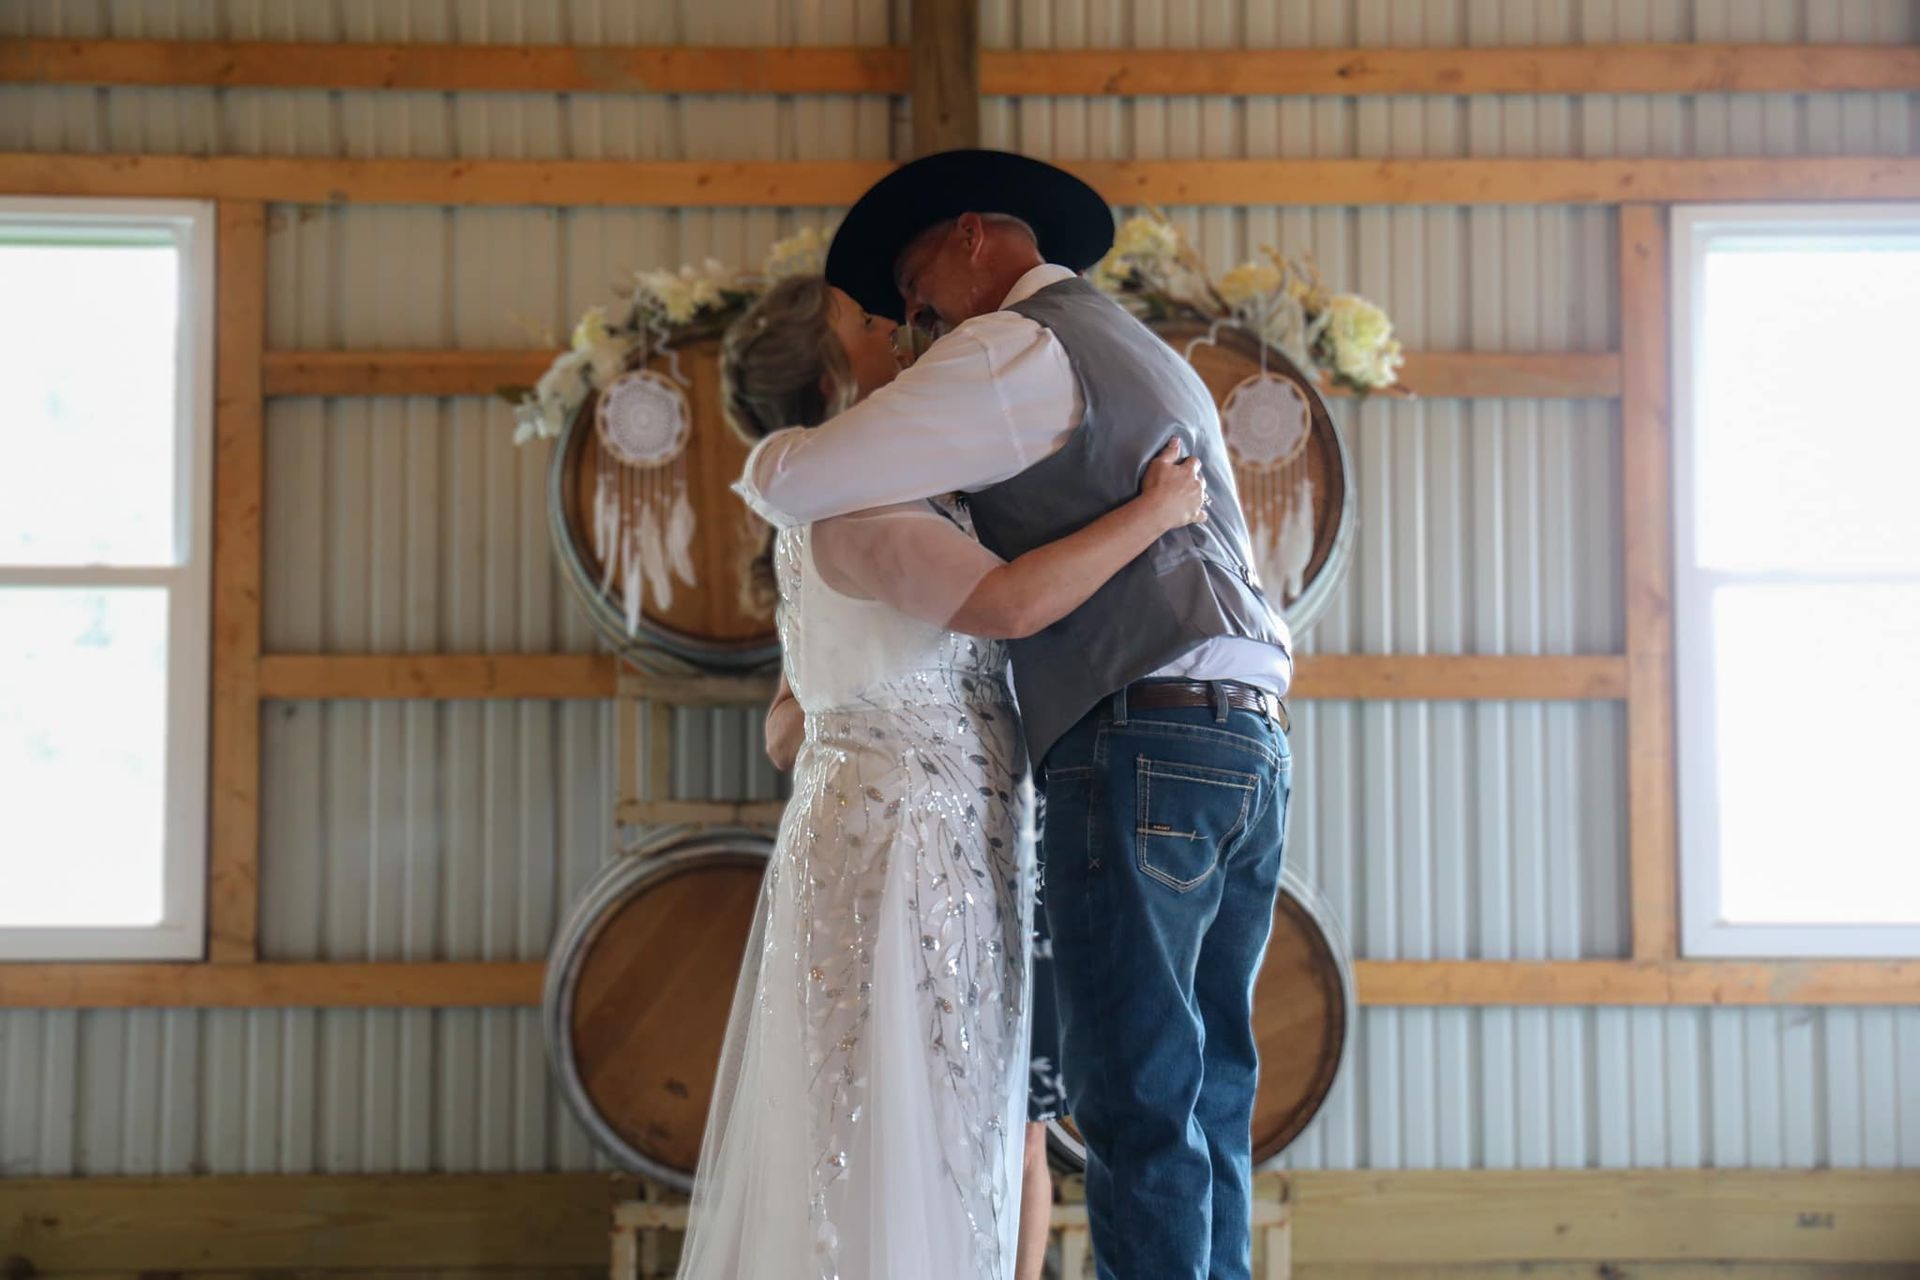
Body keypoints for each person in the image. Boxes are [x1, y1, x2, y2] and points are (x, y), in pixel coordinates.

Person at [734, 150, 1295, 1280]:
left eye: (914, 283)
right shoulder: (1138, 350)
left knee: (1133, 1093)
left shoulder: (1010, 348)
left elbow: (797, 484)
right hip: (1246, 733)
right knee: (1210, 1089)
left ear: (977, 238)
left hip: (1135, 732)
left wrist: (781, 456)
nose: (910, 321)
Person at [675, 271, 1209, 1280]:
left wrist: (856, 734)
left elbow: (791, 718)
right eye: (868, 322)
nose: (898, 327)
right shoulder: (853, 507)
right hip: (913, 848)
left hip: (939, 833)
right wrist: (1156, 511)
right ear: (837, 374)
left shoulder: (861, 502)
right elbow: (1007, 605)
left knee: (945, 1111)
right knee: (907, 1117)